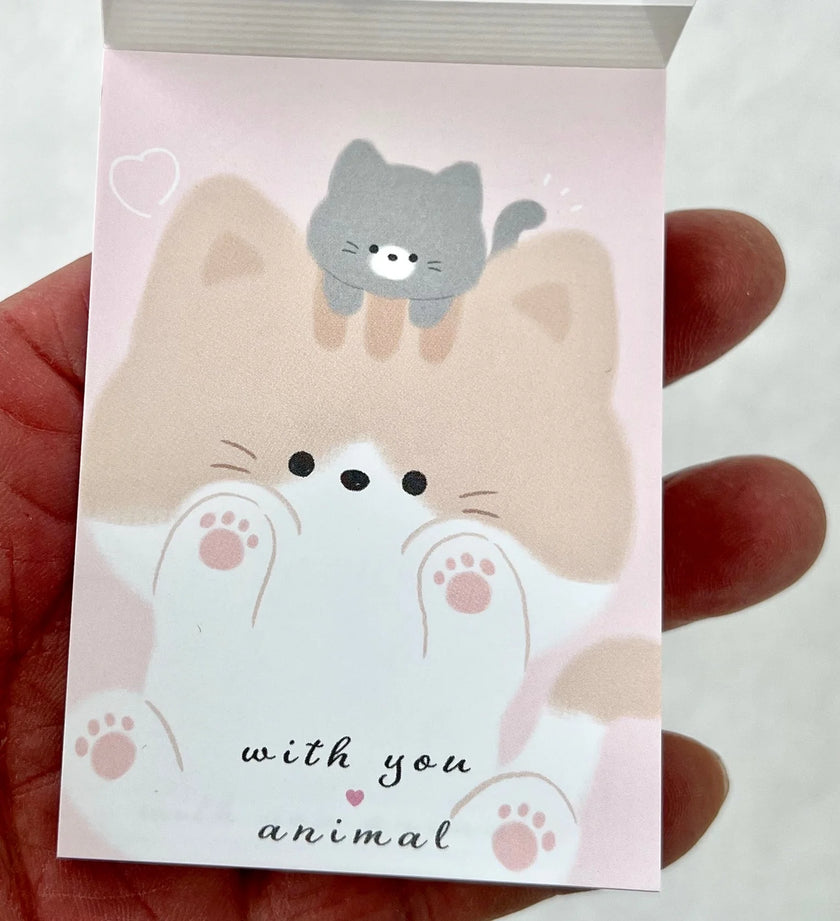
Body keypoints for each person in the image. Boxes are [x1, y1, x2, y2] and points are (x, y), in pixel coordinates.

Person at [0, 209, 825, 920]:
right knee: (222, 649)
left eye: (418, 482)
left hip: (406, 740)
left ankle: (454, 698)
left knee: (450, 676)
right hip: (213, 754)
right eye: (301, 462)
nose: (356, 483)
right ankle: (181, 718)